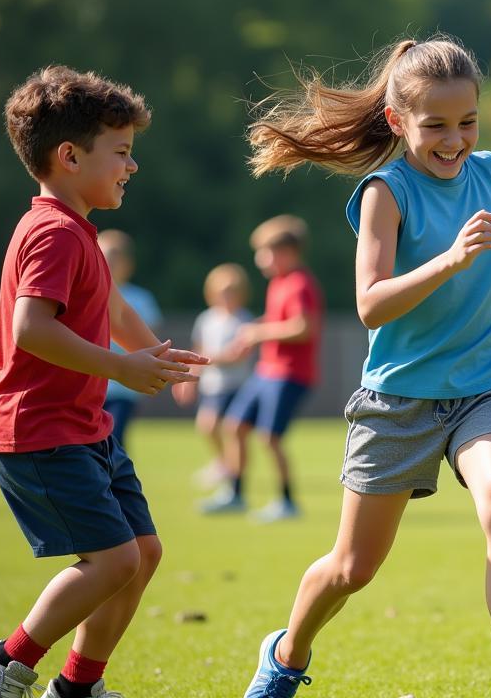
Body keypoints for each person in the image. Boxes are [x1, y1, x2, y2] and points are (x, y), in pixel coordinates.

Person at [239, 36, 491, 698]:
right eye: (436, 125)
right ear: (399, 122)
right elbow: (371, 303)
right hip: (399, 400)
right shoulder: (385, 193)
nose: (455, 140)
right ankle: (285, 655)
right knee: (352, 568)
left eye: (468, 122)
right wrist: (453, 260)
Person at [0, 65, 205, 698]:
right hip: (37, 431)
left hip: (83, 429)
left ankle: (75, 691)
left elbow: (113, 307)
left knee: (143, 551)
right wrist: (122, 368)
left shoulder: (79, 229)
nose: (133, 165)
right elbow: (31, 329)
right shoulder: (52, 233)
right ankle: (7, 661)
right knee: (112, 561)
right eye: (122, 151)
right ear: (70, 157)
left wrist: (154, 350)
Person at [199, 216, 323, 522]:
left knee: (270, 437)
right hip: (267, 371)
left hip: (290, 373)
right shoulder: (278, 283)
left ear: (288, 252)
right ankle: (235, 495)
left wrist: (258, 333)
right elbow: (275, 320)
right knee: (234, 426)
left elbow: (304, 327)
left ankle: (287, 502)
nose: (260, 260)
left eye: (265, 252)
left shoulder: (300, 283)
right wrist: (252, 330)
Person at [174, 263, 255, 489]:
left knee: (234, 433)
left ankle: (236, 482)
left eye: (232, 291)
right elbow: (197, 352)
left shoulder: (244, 320)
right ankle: (225, 464)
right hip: (213, 385)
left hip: (237, 385)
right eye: (222, 291)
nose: (227, 296)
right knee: (207, 426)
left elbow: (239, 355)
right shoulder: (206, 319)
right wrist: (188, 380)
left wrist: (210, 359)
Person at [98, 229, 163, 445]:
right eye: (105, 256)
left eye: (116, 258)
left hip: (124, 387)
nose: (110, 263)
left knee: (114, 439)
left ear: (129, 264)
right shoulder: (87, 293)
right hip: (92, 381)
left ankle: (116, 477)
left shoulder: (141, 298)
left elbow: (151, 338)